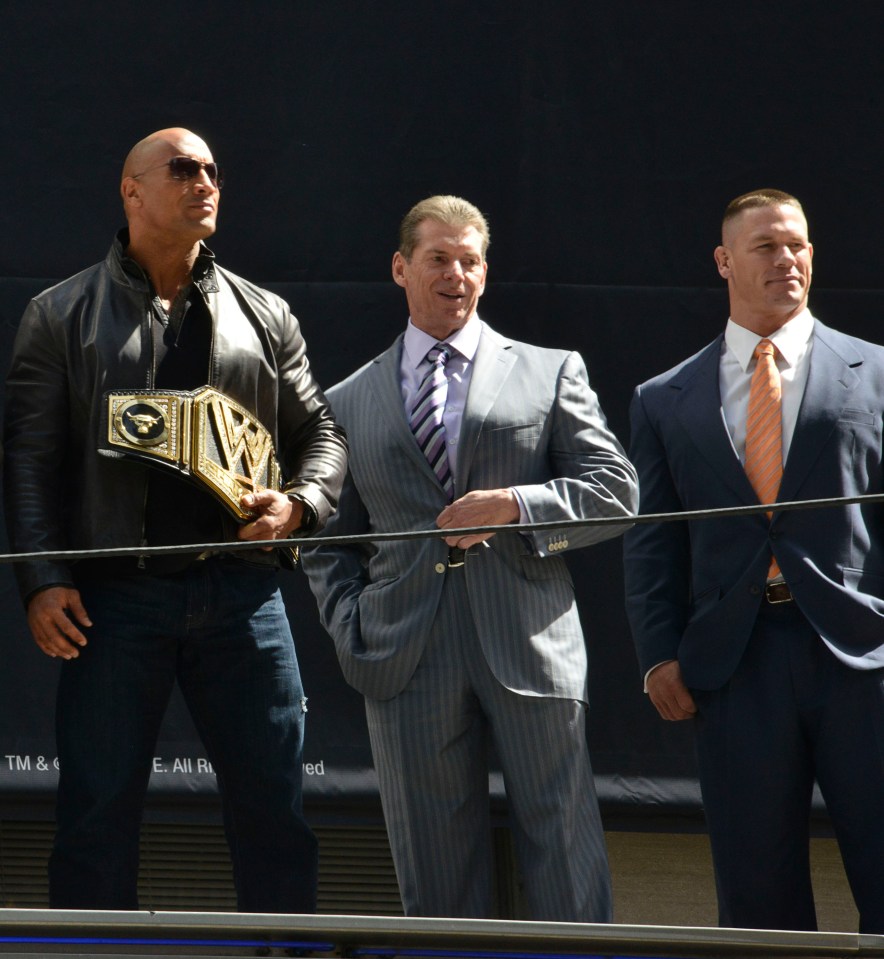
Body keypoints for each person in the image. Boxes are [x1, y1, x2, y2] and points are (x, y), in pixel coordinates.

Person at [2, 128, 348, 912]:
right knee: (95, 816)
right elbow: (27, 461)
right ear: (131, 191)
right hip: (115, 599)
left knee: (275, 813)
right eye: (183, 169)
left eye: (213, 171)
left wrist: (298, 504)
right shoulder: (58, 315)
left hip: (244, 597)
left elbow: (321, 434)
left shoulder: (266, 314)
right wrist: (42, 579)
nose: (205, 182)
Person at [301, 195, 637, 920]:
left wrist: (514, 504)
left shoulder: (549, 371)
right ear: (401, 268)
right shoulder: (348, 398)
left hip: (528, 639)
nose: (457, 274)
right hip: (404, 649)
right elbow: (326, 538)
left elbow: (615, 491)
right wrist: (350, 623)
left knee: (564, 855)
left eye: (471, 260)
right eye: (439, 259)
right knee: (435, 870)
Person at [623, 189, 884, 932]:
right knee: (756, 895)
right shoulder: (664, 398)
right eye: (766, 245)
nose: (787, 259)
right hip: (735, 667)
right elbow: (653, 538)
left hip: (864, 658)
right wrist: (656, 656)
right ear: (724, 260)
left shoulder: (874, 371)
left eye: (798, 243)